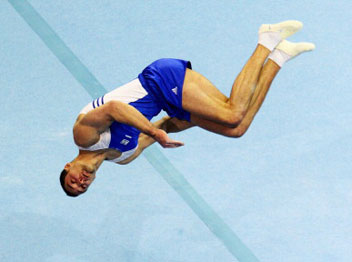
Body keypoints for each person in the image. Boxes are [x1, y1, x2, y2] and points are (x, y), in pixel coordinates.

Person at [60, 20, 315, 197]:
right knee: (236, 128)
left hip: (159, 79)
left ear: (68, 166)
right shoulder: (125, 157)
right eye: (83, 187)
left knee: (232, 112)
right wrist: (197, 119)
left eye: (73, 181)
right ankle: (280, 56)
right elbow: (166, 126)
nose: (81, 182)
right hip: (169, 103)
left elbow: (115, 108)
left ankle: (267, 39)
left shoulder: (84, 137)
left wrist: (154, 131)